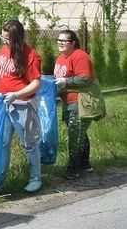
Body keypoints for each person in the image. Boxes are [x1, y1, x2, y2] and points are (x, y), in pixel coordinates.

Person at [0, 19, 42, 193]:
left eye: (7, 39)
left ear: (17, 38)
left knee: (28, 142)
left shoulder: (30, 55)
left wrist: (17, 94)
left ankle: (36, 177)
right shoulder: (4, 49)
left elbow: (36, 83)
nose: (4, 42)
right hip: (2, 103)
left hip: (22, 105)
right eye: (2, 38)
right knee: (2, 143)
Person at [54, 30, 96, 180]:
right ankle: (85, 164)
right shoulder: (61, 57)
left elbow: (85, 79)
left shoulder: (79, 56)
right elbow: (60, 77)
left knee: (74, 135)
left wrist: (65, 81)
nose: (60, 42)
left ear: (73, 43)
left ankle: (73, 169)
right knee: (79, 133)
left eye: (64, 41)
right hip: (67, 102)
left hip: (79, 102)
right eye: (59, 40)